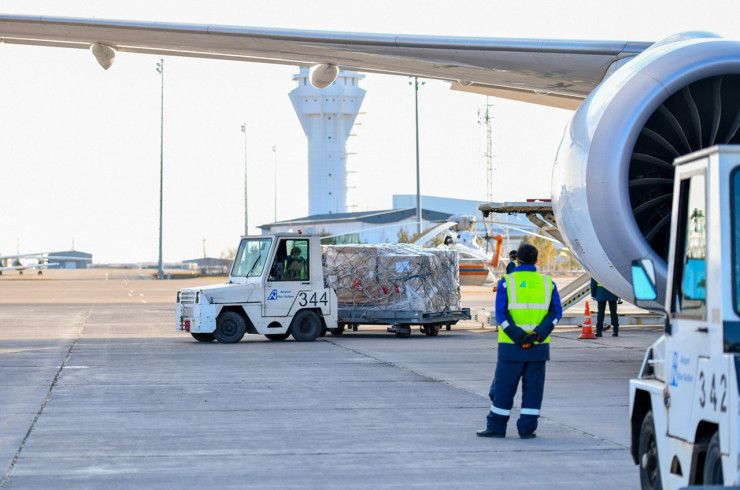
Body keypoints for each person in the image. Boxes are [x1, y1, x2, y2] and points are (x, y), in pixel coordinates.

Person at [477, 243, 562, 439]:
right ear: (537, 260)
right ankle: (527, 429)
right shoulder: (548, 283)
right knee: (533, 391)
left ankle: (496, 427)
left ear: (517, 260)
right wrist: (536, 335)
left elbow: (501, 315)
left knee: (503, 390)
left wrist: (519, 337)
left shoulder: (507, 282)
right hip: (538, 348)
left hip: (511, 348)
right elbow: (555, 313)